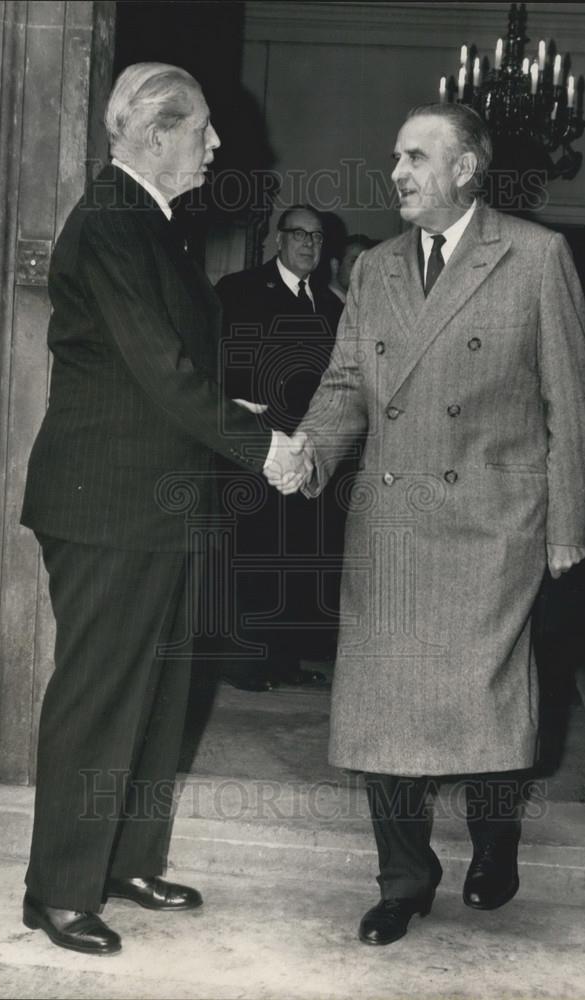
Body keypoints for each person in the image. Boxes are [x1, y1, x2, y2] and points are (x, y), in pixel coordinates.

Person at [281, 103, 585, 945]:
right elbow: (346, 383)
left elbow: (569, 401)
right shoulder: (377, 268)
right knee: (381, 709)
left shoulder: (533, 256)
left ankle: (494, 841)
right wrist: (307, 451)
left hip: (491, 524)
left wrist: (565, 522)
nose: (397, 172)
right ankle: (404, 879)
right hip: (391, 522)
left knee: (486, 707)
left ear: (465, 170)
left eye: (417, 157)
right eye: (395, 157)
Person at [20, 62, 306, 955]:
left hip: (159, 499)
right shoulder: (111, 220)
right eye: (202, 130)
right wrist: (260, 445)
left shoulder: (153, 223)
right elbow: (158, 370)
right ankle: (60, 889)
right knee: (100, 696)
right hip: (106, 503)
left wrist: (242, 413)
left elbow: (162, 372)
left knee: (160, 691)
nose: (215, 144)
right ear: (155, 134)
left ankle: (127, 861)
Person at [214, 205, 348, 691]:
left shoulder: (333, 308)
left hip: (307, 451)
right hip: (255, 447)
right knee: (250, 554)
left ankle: (284, 661)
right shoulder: (239, 290)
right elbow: (220, 366)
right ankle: (242, 663)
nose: (309, 244)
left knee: (296, 556)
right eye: (299, 234)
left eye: (317, 237)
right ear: (278, 240)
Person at [329, 233, 378, 303]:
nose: (361, 269)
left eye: (365, 263)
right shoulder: (323, 306)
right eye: (354, 261)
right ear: (335, 265)